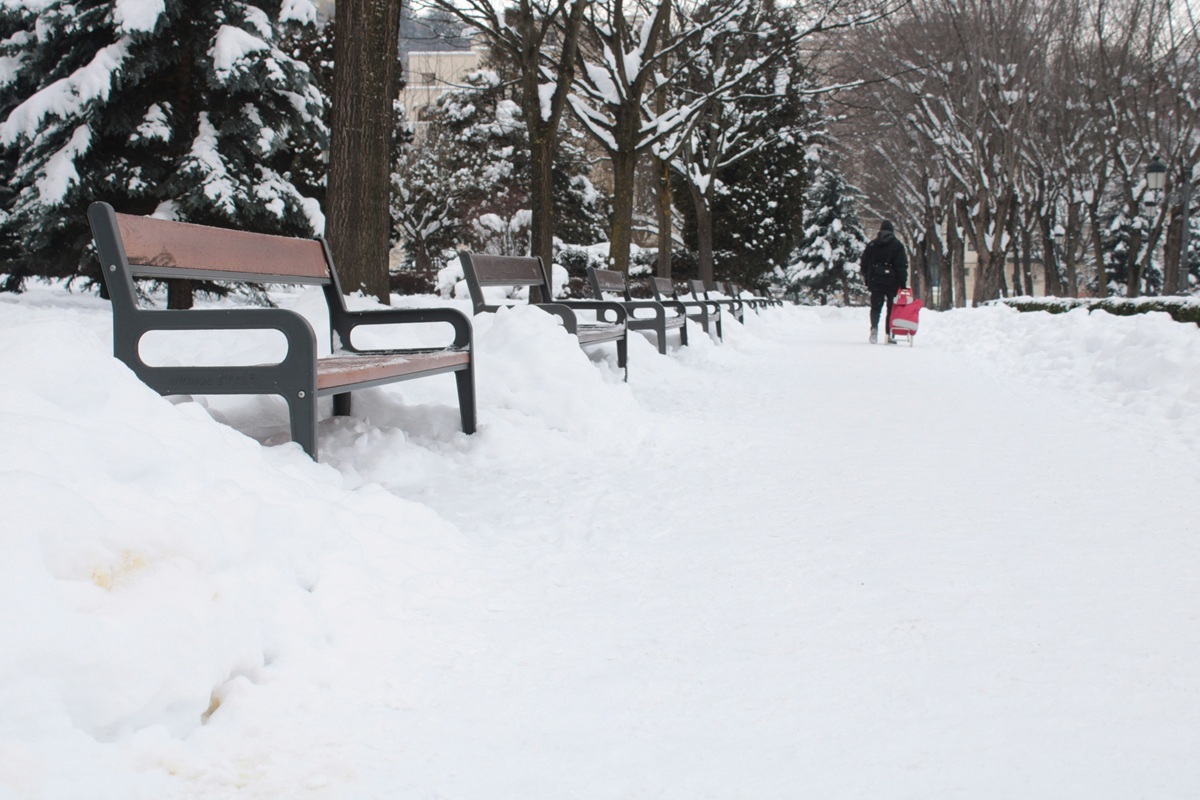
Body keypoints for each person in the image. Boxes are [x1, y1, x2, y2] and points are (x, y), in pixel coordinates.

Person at [859, 219, 909, 344]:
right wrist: (902, 284)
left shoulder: (872, 245)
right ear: (892, 231)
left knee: (876, 307)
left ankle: (874, 329)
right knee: (891, 309)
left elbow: (864, 264)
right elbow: (901, 266)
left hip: (876, 282)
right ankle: (890, 334)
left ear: (880, 231)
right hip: (892, 283)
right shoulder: (898, 246)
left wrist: (867, 279)